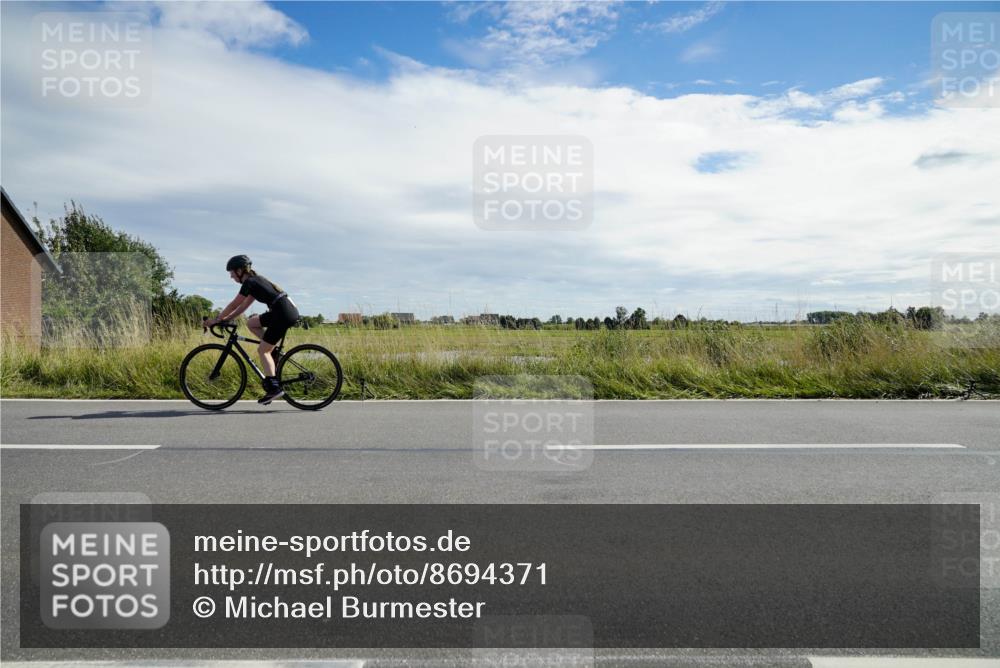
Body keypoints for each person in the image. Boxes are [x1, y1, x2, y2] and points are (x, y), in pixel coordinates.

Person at [205, 255, 300, 404]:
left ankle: (274, 388)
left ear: (239, 270)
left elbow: (233, 304)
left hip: (282, 314)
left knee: (263, 350)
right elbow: (242, 307)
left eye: (231, 273)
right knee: (252, 323)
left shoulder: (249, 282)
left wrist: (216, 320)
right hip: (283, 311)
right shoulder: (256, 281)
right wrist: (226, 319)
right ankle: (273, 351)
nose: (231, 277)